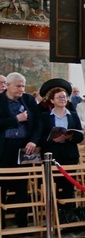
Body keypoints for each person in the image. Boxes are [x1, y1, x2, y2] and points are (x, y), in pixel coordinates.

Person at [0, 73, 42, 228]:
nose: (22, 89)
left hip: (25, 148)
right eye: (18, 86)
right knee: (1, 187)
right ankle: (1, 224)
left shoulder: (29, 100)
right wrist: (16, 119)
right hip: (4, 148)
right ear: (8, 85)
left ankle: (22, 223)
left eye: (23, 86)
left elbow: (38, 123)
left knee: (22, 186)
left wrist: (33, 141)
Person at [39, 86, 84, 223]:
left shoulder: (73, 115)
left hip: (69, 154)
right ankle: (54, 217)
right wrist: (51, 139)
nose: (63, 99)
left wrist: (69, 137)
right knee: (53, 186)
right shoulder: (45, 117)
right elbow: (39, 136)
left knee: (69, 187)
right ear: (52, 100)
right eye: (59, 97)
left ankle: (68, 217)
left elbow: (79, 137)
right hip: (52, 154)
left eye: (64, 97)